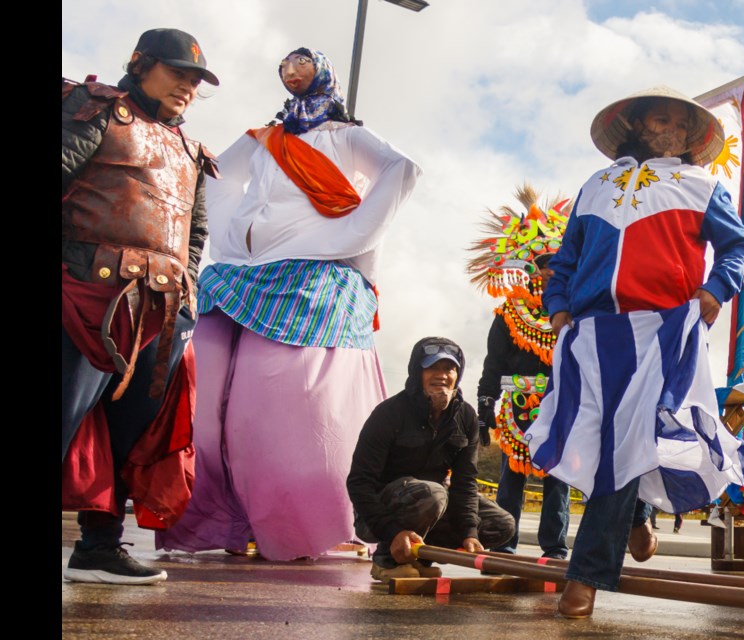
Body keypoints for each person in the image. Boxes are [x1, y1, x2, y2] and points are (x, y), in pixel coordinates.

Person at [156, 48, 421, 560]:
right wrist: (228, 230)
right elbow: (206, 171)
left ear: (322, 74)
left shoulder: (347, 135)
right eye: (286, 66)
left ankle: (300, 524)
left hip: (310, 271)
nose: (293, 72)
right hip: (238, 274)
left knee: (273, 404)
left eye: (303, 63)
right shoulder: (266, 137)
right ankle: (219, 522)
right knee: (200, 401)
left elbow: (401, 170)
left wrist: (348, 230)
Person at [526, 86, 744, 617]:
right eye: (663, 117)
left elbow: (740, 247)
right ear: (636, 124)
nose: (674, 125)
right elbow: (566, 258)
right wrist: (558, 308)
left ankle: (584, 577)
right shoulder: (594, 186)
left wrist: (714, 290)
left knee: (631, 433)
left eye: (682, 121)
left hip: (663, 330)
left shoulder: (703, 185)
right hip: (589, 331)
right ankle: (634, 519)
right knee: (581, 437)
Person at [62, 28, 220, 584]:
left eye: (196, 80)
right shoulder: (95, 108)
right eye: (178, 72)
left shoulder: (191, 151)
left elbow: (195, 236)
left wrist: (188, 297)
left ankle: (98, 548)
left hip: (161, 315)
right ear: (142, 64)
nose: (188, 87)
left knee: (129, 436)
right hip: (85, 299)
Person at [346, 337, 516, 582]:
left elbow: (465, 482)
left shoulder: (465, 416)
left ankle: (420, 557)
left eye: (449, 368)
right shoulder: (389, 413)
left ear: (458, 374)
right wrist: (392, 532)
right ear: (417, 372)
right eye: (432, 367)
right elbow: (359, 482)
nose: (441, 375)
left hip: (434, 502)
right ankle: (387, 557)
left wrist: (469, 532)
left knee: (502, 524)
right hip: (378, 515)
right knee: (433, 495)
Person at [467, 185, 573, 560]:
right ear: (530, 267)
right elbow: (492, 365)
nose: (548, 272)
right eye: (543, 265)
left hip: (561, 402)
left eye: (556, 266)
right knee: (512, 477)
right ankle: (504, 544)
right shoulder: (509, 314)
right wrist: (484, 409)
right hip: (517, 404)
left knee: (558, 478)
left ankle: (555, 549)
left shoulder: (574, 313)